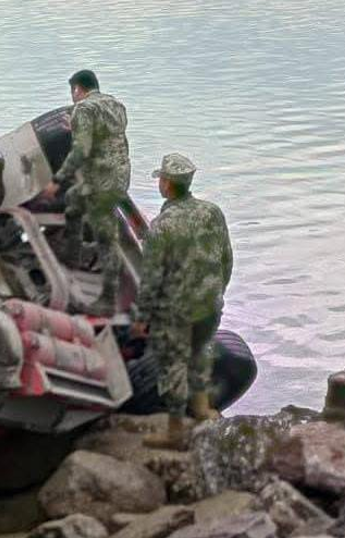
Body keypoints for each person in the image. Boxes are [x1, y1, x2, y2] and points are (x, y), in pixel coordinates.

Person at [131, 153, 234, 450]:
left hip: (176, 312)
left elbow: (151, 279)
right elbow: (226, 258)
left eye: (161, 179)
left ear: (166, 185)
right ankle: (203, 411)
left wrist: (142, 318)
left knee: (173, 367)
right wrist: (218, 292)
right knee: (200, 355)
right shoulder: (212, 212)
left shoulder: (162, 227)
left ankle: (175, 431)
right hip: (210, 304)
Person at [42, 70, 130, 314]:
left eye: (73, 92)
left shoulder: (82, 109)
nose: (72, 97)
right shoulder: (115, 104)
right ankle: (73, 256)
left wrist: (57, 180)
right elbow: (106, 135)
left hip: (101, 180)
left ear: (77, 89)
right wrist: (76, 127)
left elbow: (81, 151)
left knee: (106, 237)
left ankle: (108, 299)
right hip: (119, 176)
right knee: (73, 200)